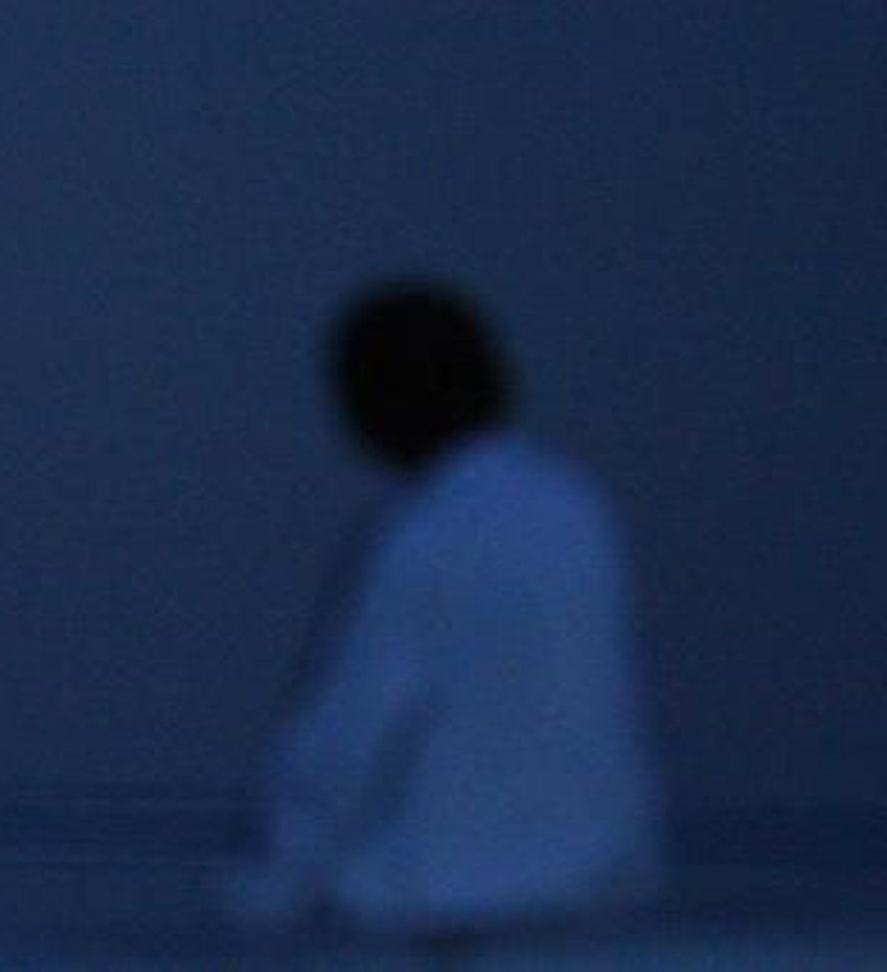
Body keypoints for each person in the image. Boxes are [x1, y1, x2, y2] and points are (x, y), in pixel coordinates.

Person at [223, 282, 663, 944]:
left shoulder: (422, 532)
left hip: (447, 898)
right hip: (595, 884)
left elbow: (346, 738)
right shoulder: (577, 508)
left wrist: (269, 888)